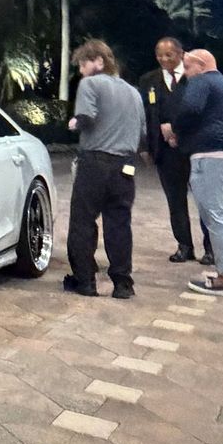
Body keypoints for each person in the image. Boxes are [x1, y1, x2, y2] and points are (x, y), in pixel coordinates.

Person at [64, 39, 145, 299]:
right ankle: (123, 284)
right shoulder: (134, 92)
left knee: (83, 221)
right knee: (119, 223)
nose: (81, 71)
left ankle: (85, 281)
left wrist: (74, 123)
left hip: (95, 163)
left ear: (98, 61)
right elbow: (142, 132)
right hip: (125, 166)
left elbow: (87, 118)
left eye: (82, 64)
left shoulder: (90, 84)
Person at [168, 49, 223, 298]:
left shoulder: (202, 81)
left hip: (213, 154)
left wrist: (176, 130)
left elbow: (190, 108)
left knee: (217, 216)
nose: (186, 74)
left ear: (201, 65)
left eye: (188, 67)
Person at [139, 36, 211, 264]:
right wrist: (145, 146)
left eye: (168, 55)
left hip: (195, 148)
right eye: (159, 55)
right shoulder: (148, 80)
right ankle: (184, 245)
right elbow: (145, 115)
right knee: (175, 200)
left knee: (205, 200)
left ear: (181, 54)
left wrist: (178, 132)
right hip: (165, 152)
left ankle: (211, 247)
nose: (164, 59)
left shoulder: (195, 78)